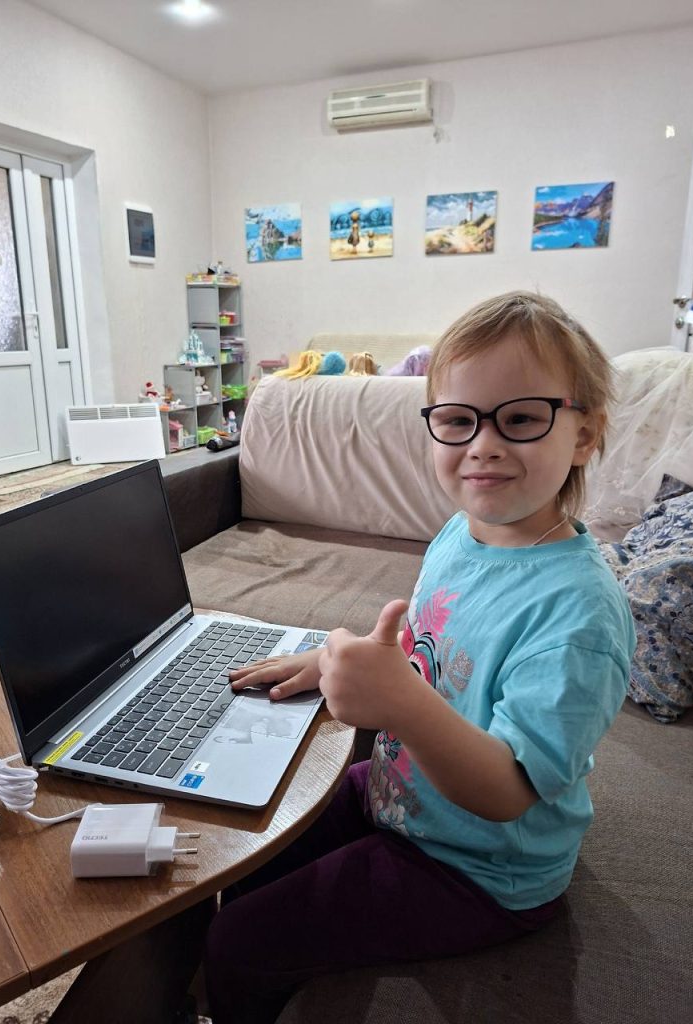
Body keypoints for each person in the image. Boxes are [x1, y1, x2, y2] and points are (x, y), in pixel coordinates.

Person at [201, 291, 636, 1024]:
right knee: (241, 857)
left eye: (520, 419)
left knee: (238, 939)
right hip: (400, 796)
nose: (483, 445)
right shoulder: (461, 533)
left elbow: (507, 792)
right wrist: (331, 663)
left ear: (584, 434)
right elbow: (427, 646)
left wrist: (399, 702)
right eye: (459, 420)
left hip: (479, 868)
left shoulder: (579, 615)